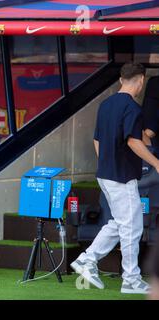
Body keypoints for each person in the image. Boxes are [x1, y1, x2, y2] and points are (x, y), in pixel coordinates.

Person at [70, 62, 159, 294]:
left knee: (120, 223)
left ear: (121, 79)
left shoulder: (105, 105)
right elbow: (133, 140)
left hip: (106, 174)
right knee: (132, 227)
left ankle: (87, 260)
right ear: (141, 80)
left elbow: (97, 140)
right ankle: (130, 279)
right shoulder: (133, 108)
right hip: (122, 176)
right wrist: (156, 162)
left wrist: (106, 163)